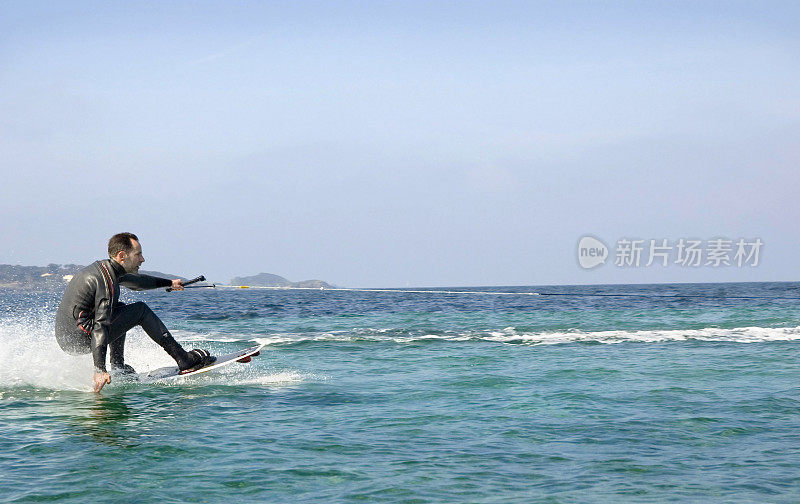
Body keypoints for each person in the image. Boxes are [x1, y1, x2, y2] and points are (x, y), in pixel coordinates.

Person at [55, 232, 215, 392]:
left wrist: (169, 283)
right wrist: (99, 370)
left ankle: (118, 367)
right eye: (138, 254)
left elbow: (138, 282)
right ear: (122, 255)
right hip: (80, 337)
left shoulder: (107, 270)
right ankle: (183, 358)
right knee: (140, 310)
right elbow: (101, 326)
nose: (142, 259)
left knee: (121, 308)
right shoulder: (106, 282)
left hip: (68, 337)